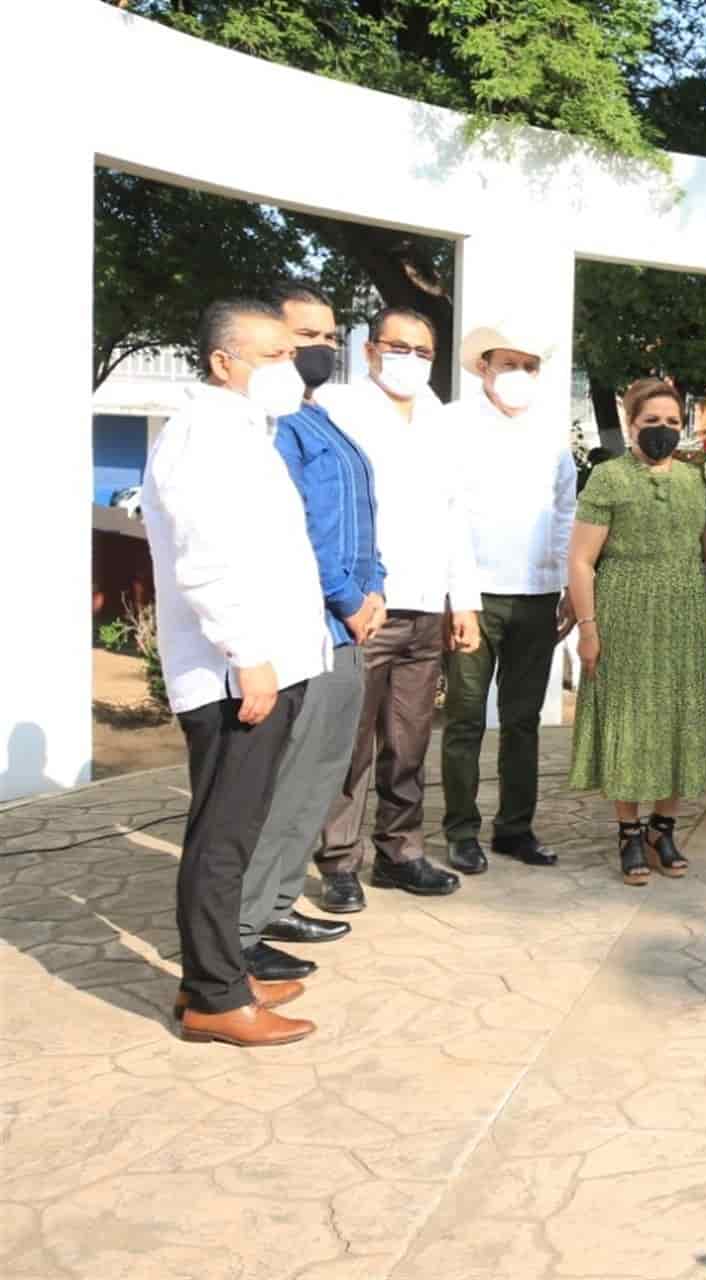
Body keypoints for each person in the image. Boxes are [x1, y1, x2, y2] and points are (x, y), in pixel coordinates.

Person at [144, 299, 332, 1046]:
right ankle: (217, 998)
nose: (293, 367)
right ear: (225, 361)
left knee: (237, 829)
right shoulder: (201, 437)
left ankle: (214, 975)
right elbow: (205, 560)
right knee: (221, 837)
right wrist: (247, 659)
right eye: (276, 354)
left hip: (268, 663)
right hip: (237, 673)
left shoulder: (244, 431)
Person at [230, 282, 385, 981]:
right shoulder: (272, 429)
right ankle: (242, 922)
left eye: (330, 337)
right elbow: (297, 530)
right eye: (306, 339)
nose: (321, 349)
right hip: (309, 624)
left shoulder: (318, 416)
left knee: (321, 774)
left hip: (347, 625)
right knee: (287, 781)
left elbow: (358, 515)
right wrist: (350, 597)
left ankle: (279, 898)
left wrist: (374, 583)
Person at [314, 308, 471, 905]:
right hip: (366, 608)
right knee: (351, 744)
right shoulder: (338, 410)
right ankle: (337, 862)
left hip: (429, 605)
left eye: (423, 351)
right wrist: (349, 595)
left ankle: (400, 852)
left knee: (409, 743)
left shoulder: (442, 421)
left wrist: (466, 602)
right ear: (371, 350)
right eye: (398, 347)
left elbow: (457, 516)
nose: (410, 360)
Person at [567, 379, 706, 883]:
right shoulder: (608, 479)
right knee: (628, 721)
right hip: (623, 610)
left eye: (673, 423)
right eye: (651, 422)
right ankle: (628, 831)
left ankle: (664, 826)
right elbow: (581, 560)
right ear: (630, 423)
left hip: (684, 613)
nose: (663, 431)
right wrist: (587, 628)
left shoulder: (696, 479)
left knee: (677, 716)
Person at [440, 325, 579, 875]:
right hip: (476, 599)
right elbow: (447, 513)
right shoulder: (453, 426)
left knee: (524, 721)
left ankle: (515, 829)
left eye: (528, 365)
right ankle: (461, 832)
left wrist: (565, 583)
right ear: (483, 368)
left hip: (537, 599)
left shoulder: (550, 437)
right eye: (507, 364)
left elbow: (565, 509)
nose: (518, 375)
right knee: (466, 719)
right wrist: (461, 600)